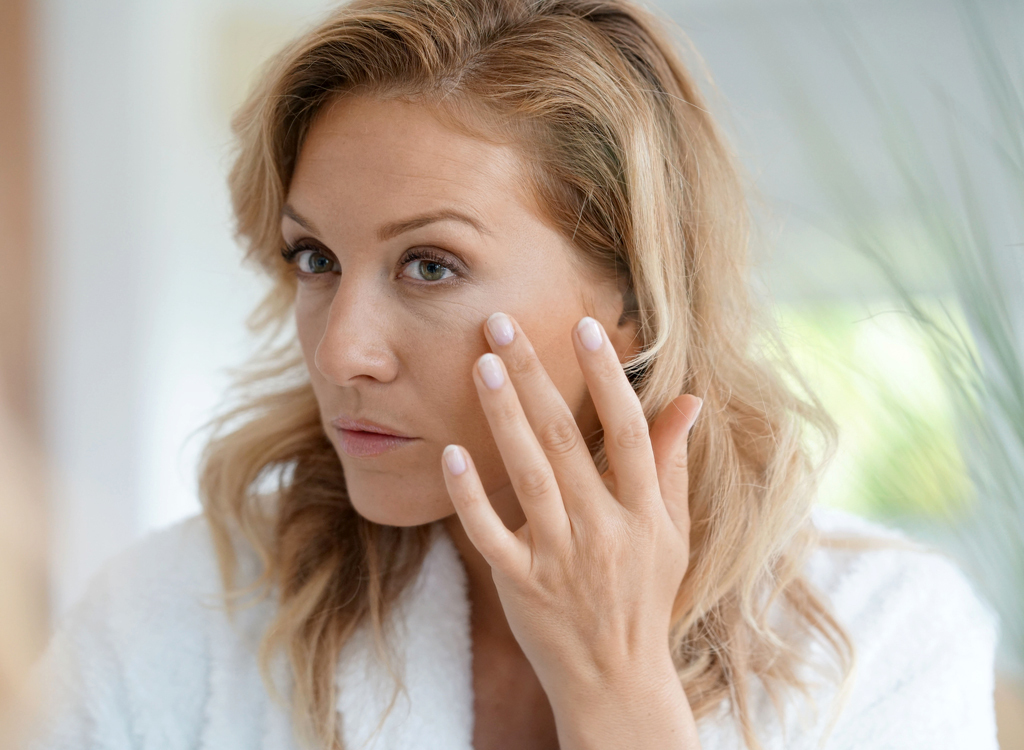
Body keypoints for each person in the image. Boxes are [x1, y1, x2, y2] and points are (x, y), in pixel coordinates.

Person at [28, 0, 998, 748]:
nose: (339, 352)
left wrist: (617, 690)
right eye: (315, 259)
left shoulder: (881, 640)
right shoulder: (172, 618)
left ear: (630, 301)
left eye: (430, 265)